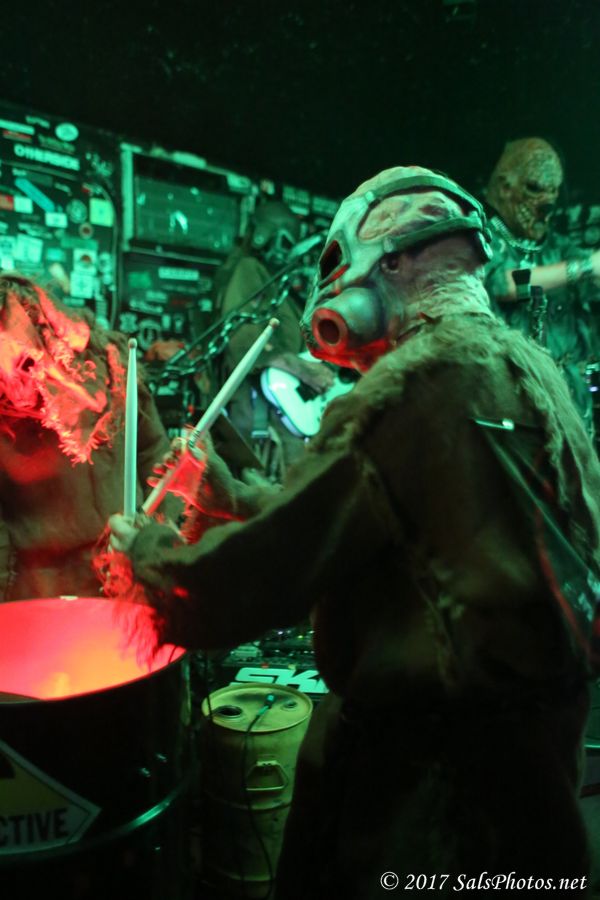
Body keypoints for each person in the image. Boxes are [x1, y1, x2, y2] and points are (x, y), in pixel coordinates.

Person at [109, 167, 600, 897]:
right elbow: (391, 517)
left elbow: (257, 579)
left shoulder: (414, 384)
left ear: (388, 262)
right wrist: (233, 495)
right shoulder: (534, 373)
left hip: (430, 807)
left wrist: (146, 557)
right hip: (538, 788)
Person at [0, 273, 179, 602]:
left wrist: (158, 538)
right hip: (44, 590)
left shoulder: (111, 363)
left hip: (131, 573)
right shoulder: (6, 407)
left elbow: (153, 451)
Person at [483, 137, 600, 432]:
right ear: (505, 186)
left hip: (571, 404)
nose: (547, 203)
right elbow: (505, 286)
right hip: (514, 403)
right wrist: (583, 268)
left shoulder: (559, 248)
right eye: (534, 188)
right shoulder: (483, 242)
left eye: (554, 191)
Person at [214, 198, 334, 480]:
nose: (285, 249)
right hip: (263, 423)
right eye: (283, 239)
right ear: (263, 234)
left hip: (280, 417)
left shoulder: (271, 282)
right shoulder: (247, 269)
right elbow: (245, 341)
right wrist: (304, 370)